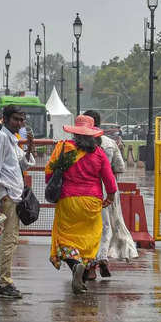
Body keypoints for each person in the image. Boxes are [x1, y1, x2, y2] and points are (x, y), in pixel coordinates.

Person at [45, 115, 117, 294]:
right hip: (92, 201)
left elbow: (48, 174)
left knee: (66, 238)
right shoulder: (99, 153)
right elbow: (109, 179)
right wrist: (111, 196)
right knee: (89, 238)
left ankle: (75, 265)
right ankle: (83, 270)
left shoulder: (63, 148)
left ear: (75, 133)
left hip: (68, 200)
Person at [0, 106, 35, 298]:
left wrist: (30, 147)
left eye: (22, 120)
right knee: (9, 239)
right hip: (6, 195)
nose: (20, 123)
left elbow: (21, 165)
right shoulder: (1, 138)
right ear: (6, 119)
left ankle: (6, 281)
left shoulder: (12, 140)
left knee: (12, 239)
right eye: (16, 119)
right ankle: (5, 282)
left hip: (14, 194)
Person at [83, 110, 137, 280]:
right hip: (107, 191)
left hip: (83, 190)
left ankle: (89, 265)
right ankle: (102, 257)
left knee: (88, 228)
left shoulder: (78, 143)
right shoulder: (109, 143)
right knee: (106, 227)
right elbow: (120, 168)